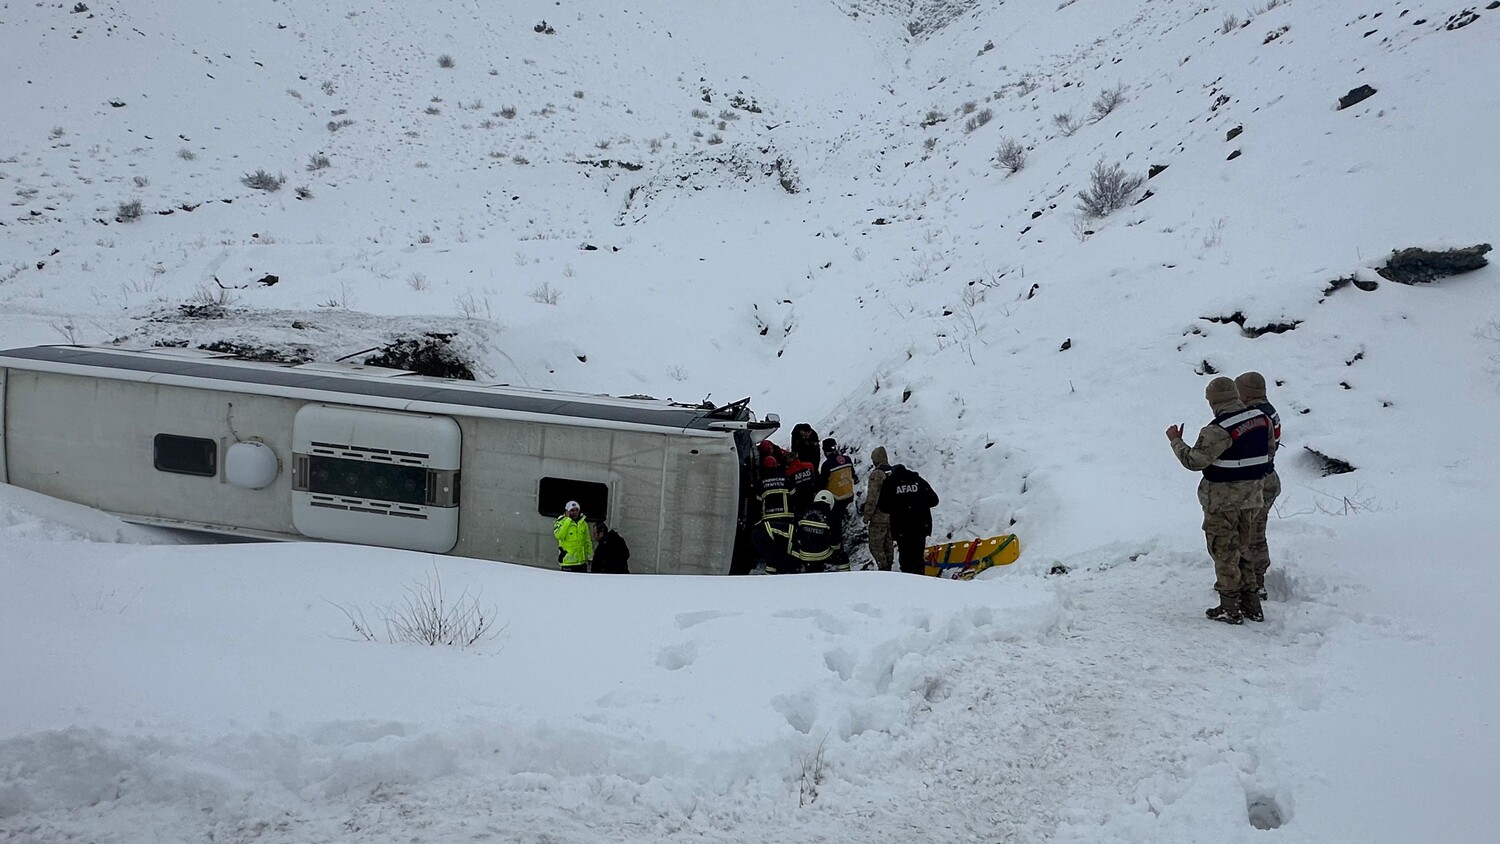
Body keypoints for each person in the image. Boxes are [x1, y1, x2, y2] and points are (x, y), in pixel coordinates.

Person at [1166, 376, 1273, 624]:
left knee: (1224, 552)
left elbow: (1194, 461)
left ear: (1213, 401)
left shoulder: (1217, 429)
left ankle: (1230, 607)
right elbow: (1268, 453)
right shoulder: (1261, 419)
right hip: (1253, 498)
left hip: (1222, 502)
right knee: (1245, 549)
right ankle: (1252, 604)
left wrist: (1176, 441)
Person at [1236, 371, 1282, 606]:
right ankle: (1250, 578)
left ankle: (1256, 583)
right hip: (1267, 477)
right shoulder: (1268, 410)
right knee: (1252, 530)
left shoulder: (1254, 416)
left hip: (1258, 481)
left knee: (1253, 533)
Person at [877, 457, 940, 576]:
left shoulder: (890, 483)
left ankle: (908, 583)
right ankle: (920, 579)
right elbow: (934, 500)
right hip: (920, 525)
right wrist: (918, 503)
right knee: (918, 557)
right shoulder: (918, 480)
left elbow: (883, 507)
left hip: (902, 527)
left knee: (906, 558)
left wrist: (898, 506)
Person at [753, 455, 798, 574]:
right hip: (786, 517)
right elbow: (795, 496)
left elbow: (757, 503)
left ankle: (773, 568)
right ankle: (788, 567)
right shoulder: (786, 478)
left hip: (768, 521)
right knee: (786, 544)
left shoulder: (760, 483)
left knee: (772, 547)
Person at [790, 490, 846, 572]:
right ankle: (846, 577)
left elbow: (796, 532)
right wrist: (838, 550)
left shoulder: (805, 511)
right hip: (821, 554)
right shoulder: (831, 516)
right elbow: (834, 541)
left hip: (804, 554)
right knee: (843, 557)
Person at [860, 446, 895, 571]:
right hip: (892, 514)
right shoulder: (892, 471)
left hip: (879, 515)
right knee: (888, 543)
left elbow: (872, 497)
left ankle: (883, 568)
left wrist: (867, 516)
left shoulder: (877, 474)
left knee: (875, 545)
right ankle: (889, 565)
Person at [553, 500, 593, 572]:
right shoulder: (560, 522)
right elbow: (559, 535)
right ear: (567, 511)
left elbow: (587, 541)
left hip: (581, 562)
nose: (574, 513)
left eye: (576, 510)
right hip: (568, 563)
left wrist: (590, 557)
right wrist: (568, 520)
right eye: (572, 510)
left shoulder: (583, 524)